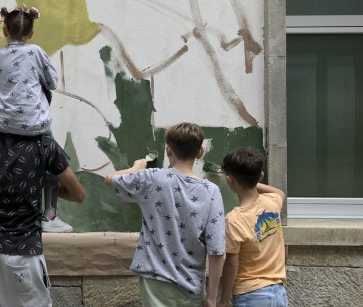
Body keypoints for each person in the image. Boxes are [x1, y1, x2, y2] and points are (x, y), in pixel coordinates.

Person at [0, 4, 72, 232]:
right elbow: (52, 83)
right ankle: (49, 216)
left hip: (2, 125)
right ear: (31, 33)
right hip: (35, 127)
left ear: (5, 32)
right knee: (52, 164)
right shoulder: (37, 52)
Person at [0, 127, 85, 306]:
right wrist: (35, 183)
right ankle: (50, 216)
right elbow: (78, 195)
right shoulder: (44, 143)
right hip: (24, 252)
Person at [105, 122, 225, 307]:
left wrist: (136, 168)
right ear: (200, 152)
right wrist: (212, 296)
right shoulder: (212, 191)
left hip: (156, 280)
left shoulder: (152, 178)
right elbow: (217, 250)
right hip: (191, 284)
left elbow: (110, 179)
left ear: (168, 150)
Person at [217, 147, 287, 307]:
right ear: (260, 176)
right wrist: (254, 181)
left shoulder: (234, 220)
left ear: (229, 180)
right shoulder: (272, 202)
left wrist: (223, 299)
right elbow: (280, 192)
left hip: (250, 295)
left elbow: (231, 265)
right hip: (278, 293)